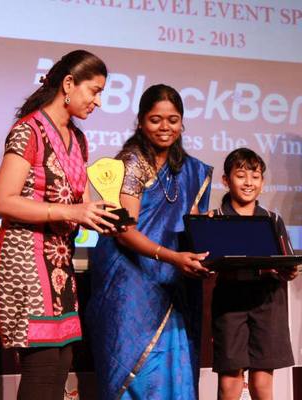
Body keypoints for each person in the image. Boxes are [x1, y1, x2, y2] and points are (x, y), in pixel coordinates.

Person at [0, 50, 118, 400]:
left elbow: (78, 207)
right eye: (94, 91)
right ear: (68, 84)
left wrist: (100, 216)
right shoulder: (27, 131)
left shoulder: (78, 139)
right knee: (43, 364)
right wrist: (71, 212)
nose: (98, 101)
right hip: (24, 256)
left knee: (61, 361)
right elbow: (3, 201)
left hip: (58, 262)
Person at [85, 84, 213, 399]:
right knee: (137, 373)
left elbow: (190, 220)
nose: (164, 127)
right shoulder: (131, 162)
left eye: (173, 120)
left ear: (182, 123)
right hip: (130, 285)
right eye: (156, 120)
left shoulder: (189, 169)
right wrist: (172, 257)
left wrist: (208, 229)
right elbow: (124, 230)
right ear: (141, 121)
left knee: (173, 370)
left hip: (173, 286)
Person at [211, 148, 298, 400]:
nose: (249, 182)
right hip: (230, 302)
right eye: (240, 176)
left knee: (261, 383)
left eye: (255, 176)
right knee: (230, 382)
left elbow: (286, 261)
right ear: (226, 180)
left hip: (268, 301)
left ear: (262, 182)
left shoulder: (273, 220)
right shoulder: (215, 219)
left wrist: (289, 271)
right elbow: (206, 263)